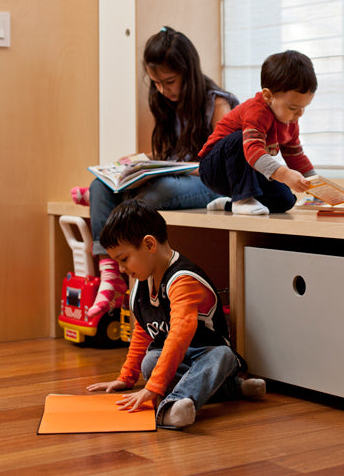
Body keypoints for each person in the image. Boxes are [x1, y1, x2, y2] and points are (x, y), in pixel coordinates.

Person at [78, 27, 239, 318]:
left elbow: (220, 167)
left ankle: (105, 208)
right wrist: (142, 162)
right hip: (175, 176)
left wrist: (168, 169)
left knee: (158, 191)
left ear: (188, 74)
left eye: (170, 82)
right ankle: (111, 273)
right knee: (100, 185)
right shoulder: (167, 103)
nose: (164, 90)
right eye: (157, 83)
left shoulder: (217, 104)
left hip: (211, 183)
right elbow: (173, 153)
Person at [85, 199, 263, 428]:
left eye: (124, 259)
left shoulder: (183, 280)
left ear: (149, 245)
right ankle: (233, 389)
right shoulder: (141, 280)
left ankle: (174, 406)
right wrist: (126, 378)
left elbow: (180, 335)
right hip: (179, 359)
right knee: (150, 362)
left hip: (206, 353)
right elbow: (142, 330)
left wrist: (153, 388)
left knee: (222, 356)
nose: (121, 269)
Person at [197, 50, 318, 216]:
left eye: (304, 107)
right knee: (241, 139)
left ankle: (230, 202)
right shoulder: (256, 111)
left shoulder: (290, 121)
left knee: (286, 200)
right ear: (268, 96)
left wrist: (317, 185)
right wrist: (285, 174)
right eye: (293, 108)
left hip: (246, 170)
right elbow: (253, 151)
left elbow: (295, 156)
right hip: (215, 168)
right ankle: (242, 199)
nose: (300, 114)